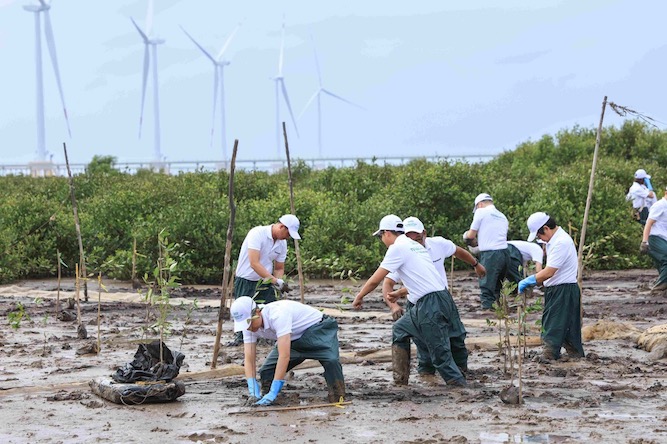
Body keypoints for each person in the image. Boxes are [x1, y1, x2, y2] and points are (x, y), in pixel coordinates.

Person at [352, 214, 468, 387]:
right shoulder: (416, 246)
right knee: (400, 328)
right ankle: (400, 381)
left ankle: (461, 389)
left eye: (381, 236)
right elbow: (425, 279)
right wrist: (400, 293)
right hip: (441, 298)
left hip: (430, 304)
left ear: (387, 233)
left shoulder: (397, 248)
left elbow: (376, 280)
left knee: (440, 356)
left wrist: (359, 296)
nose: (382, 240)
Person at [382, 216, 485, 377]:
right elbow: (387, 283)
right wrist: (393, 305)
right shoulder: (403, 250)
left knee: (456, 337)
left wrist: (476, 264)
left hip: (442, 299)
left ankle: (461, 373)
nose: (413, 240)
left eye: (416, 236)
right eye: (408, 236)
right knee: (426, 346)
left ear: (424, 233)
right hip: (419, 303)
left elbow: (458, 251)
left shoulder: (438, 244)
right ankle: (428, 377)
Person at [231, 296, 345, 405]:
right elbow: (249, 357)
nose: (248, 328)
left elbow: (284, 355)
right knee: (267, 371)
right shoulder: (247, 326)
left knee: (331, 361)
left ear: (257, 312)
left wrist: (275, 389)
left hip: (317, 330)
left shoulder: (277, 315)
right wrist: (252, 385)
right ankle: (269, 397)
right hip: (292, 340)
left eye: (249, 323)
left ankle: (338, 397)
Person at [518, 212, 585, 361]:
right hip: (563, 288)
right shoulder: (555, 240)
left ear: (546, 228)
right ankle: (575, 355)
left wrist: (529, 280)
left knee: (553, 324)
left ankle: (549, 355)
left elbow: (548, 272)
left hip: (562, 290)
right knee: (568, 326)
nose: (539, 239)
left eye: (539, 236)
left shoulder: (561, 242)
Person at [227, 214, 300, 347]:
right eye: (288, 233)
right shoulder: (257, 233)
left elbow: (279, 267)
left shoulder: (282, 244)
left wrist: (279, 281)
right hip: (247, 279)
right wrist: (274, 280)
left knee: (270, 310)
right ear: (281, 226)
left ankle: (268, 339)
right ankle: (242, 341)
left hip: (266, 281)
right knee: (245, 311)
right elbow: (254, 263)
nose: (288, 237)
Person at [463, 193, 517, 310]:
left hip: (490, 255)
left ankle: (487, 313)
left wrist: (465, 237)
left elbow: (471, 236)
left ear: (480, 204)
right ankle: (498, 310)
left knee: (486, 286)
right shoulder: (502, 216)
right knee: (497, 286)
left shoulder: (481, 212)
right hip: (505, 253)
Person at [640, 186, 667, 292]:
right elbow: (649, 223)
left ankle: (662, 285)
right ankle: (659, 287)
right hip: (655, 237)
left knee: (662, 263)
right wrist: (644, 242)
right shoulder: (659, 205)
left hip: (663, 238)